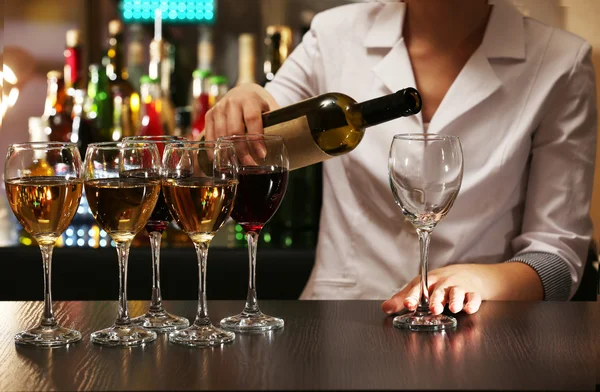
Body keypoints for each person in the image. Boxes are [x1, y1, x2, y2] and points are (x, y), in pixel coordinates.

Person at [204, 0, 597, 316]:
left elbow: (558, 258)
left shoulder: (561, 61)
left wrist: (485, 282)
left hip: (480, 328)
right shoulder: (333, 35)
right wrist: (243, 103)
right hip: (340, 326)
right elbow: (250, 142)